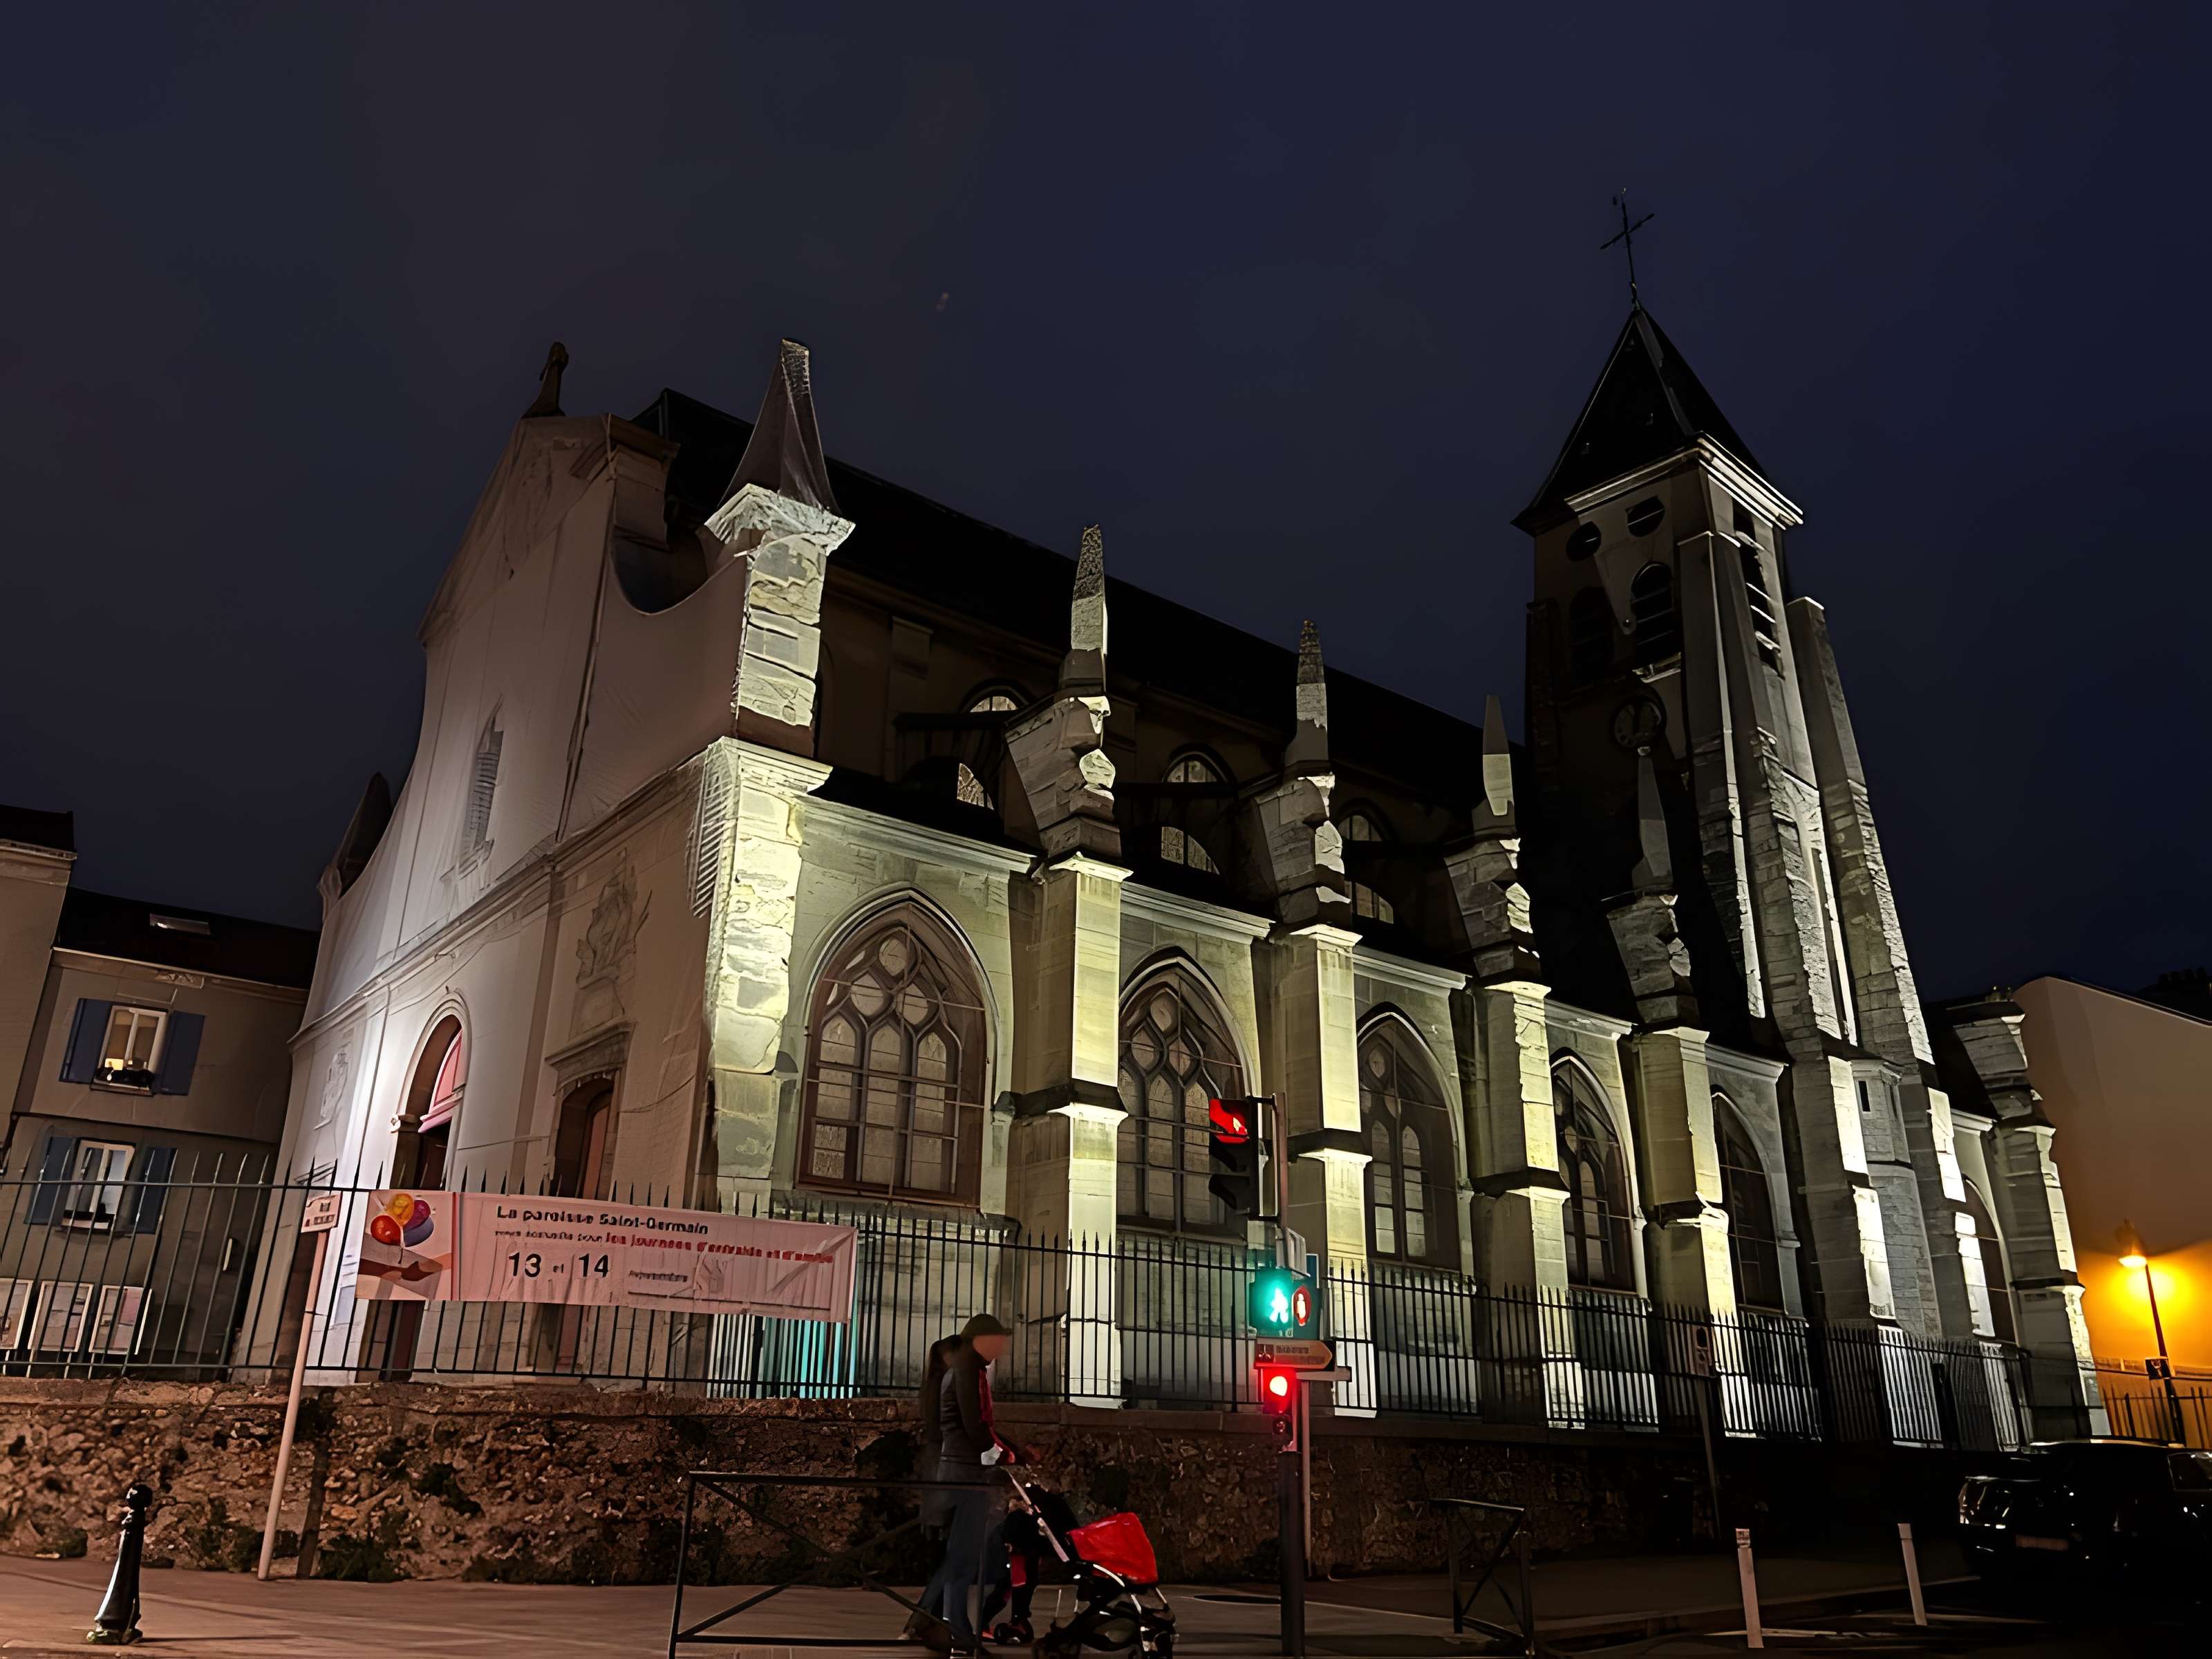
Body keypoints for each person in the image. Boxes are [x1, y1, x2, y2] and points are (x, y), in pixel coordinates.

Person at [917, 1313, 1013, 1654]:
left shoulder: (970, 1370)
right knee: (962, 1557)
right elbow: (975, 1425)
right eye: (997, 1340)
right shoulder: (966, 1371)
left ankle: (950, 1629)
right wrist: (998, 1454)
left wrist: (1006, 1450)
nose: (1002, 1348)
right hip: (965, 1475)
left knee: (961, 1556)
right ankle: (957, 1632)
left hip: (961, 1473)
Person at [904, 1334, 963, 1644]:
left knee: (949, 1552)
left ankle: (930, 1620)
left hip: (939, 1471)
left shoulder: (933, 1388)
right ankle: (926, 1620)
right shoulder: (950, 1388)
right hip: (947, 1472)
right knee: (953, 1552)